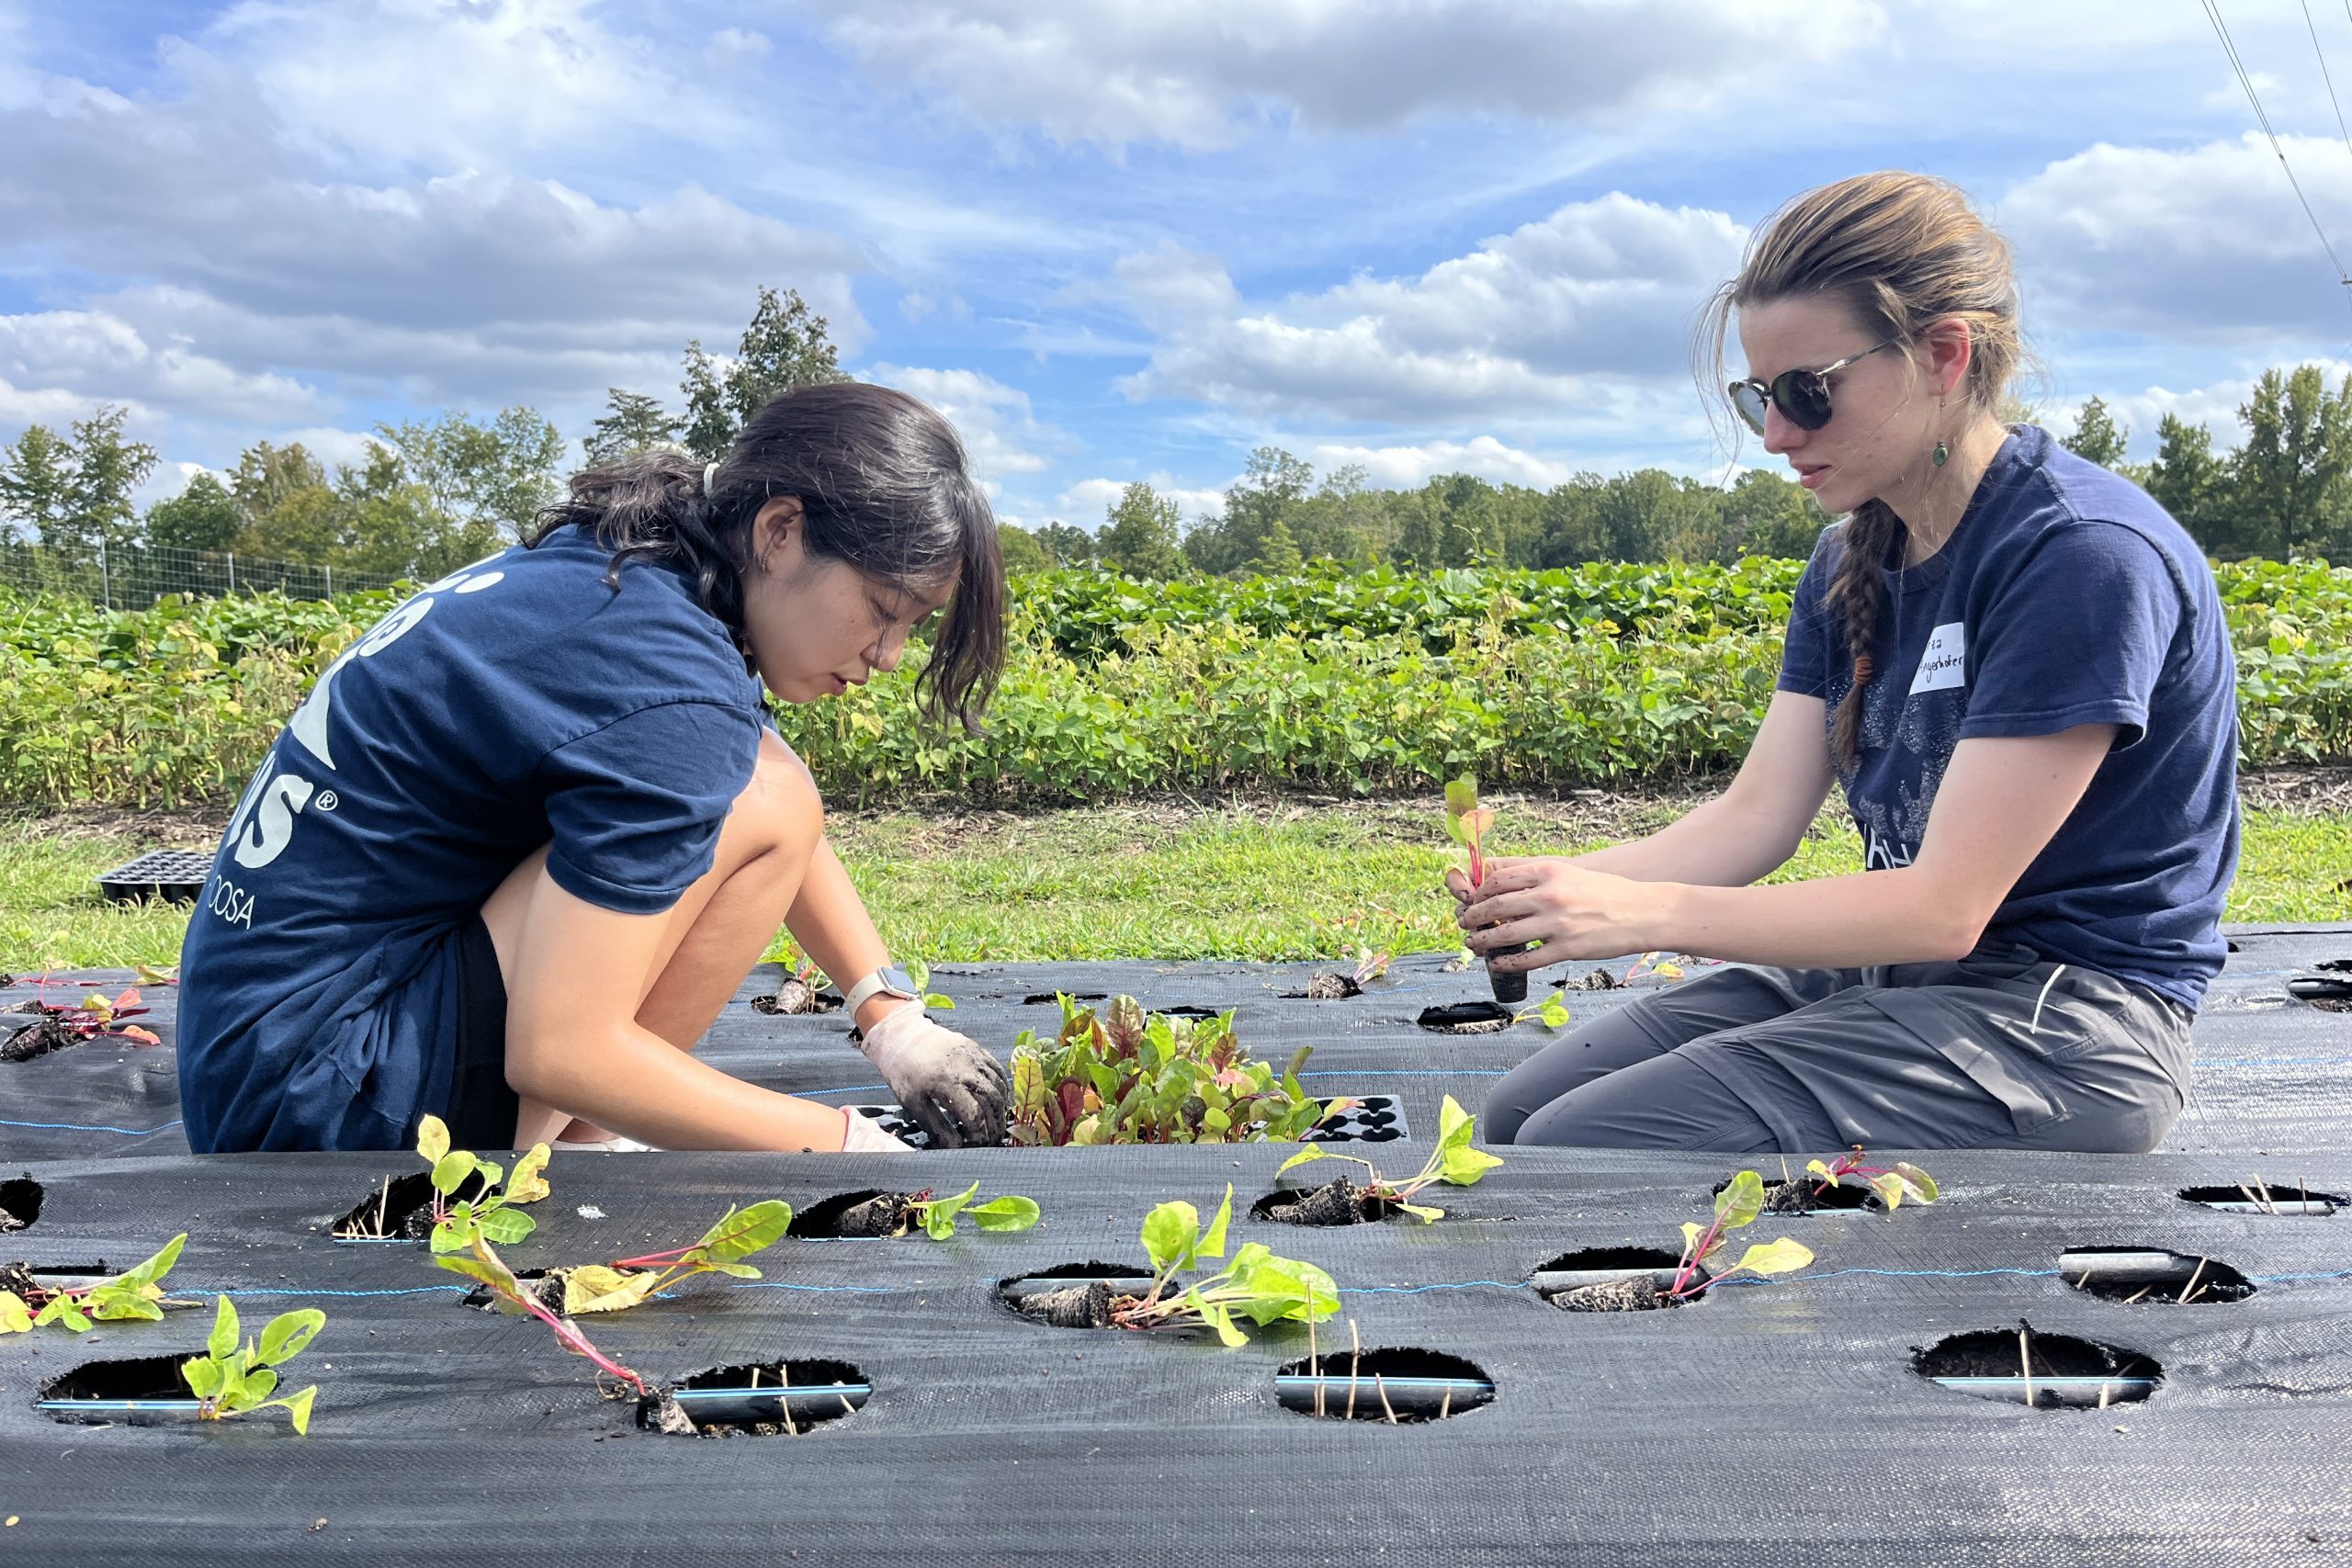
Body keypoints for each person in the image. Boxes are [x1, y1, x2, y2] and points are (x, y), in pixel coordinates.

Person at [1456, 171, 2238, 1155]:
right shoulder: (1849, 557)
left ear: (1943, 355)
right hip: (1903, 977)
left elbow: (1943, 907)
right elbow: (1752, 820)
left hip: (2064, 1025)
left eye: (1804, 393)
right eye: (1757, 398)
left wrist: (1639, 912)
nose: (1777, 435)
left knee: (1579, 1145)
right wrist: (1555, 886)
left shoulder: (2080, 555)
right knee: (1517, 1116)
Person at [177, 383, 1010, 1155]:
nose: (891, 656)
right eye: (884, 611)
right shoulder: (671, 683)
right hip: (324, 1112)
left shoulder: (626, 568)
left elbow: (759, 773)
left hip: (257, 1059)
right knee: (760, 794)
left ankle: (584, 1136)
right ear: (780, 530)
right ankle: (584, 1147)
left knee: (760, 779)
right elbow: (559, 1053)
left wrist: (891, 1015)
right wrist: (846, 1146)